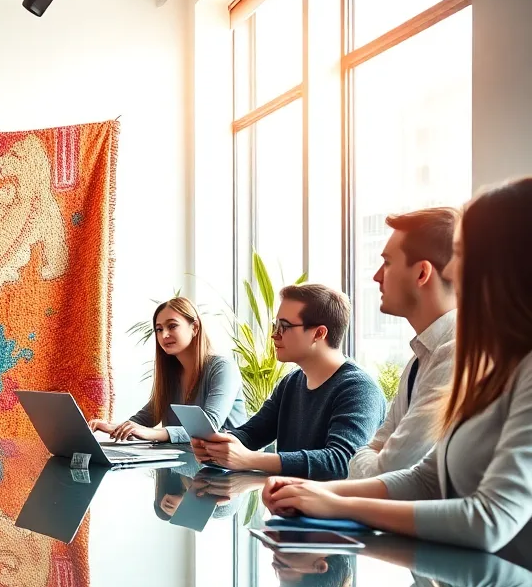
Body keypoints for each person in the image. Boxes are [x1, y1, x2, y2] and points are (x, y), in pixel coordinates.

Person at [262, 177, 532, 554]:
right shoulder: (491, 362)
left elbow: (489, 521)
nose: (450, 272)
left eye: (462, 254)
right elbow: (426, 480)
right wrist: (313, 492)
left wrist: (336, 502)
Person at [192, 283, 386, 481]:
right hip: (290, 505)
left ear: (319, 333)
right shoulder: (291, 382)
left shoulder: (360, 390)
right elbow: (252, 434)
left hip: (336, 510)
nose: (274, 335)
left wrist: (250, 460)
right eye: (275, 326)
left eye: (284, 327)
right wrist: (217, 446)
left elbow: (341, 462)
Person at [349, 208, 459, 479]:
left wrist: (369, 458)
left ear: (422, 273)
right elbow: (375, 454)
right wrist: (371, 458)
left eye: (387, 262)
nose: (376, 276)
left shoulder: (456, 352)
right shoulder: (419, 358)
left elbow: (387, 470)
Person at [90, 297, 245, 443]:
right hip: (186, 462)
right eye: (159, 329)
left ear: (195, 327)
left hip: (226, 467)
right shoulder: (171, 374)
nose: (164, 335)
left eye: (172, 326)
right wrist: (115, 427)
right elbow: (145, 418)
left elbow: (209, 426)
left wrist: (152, 433)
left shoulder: (223, 367)